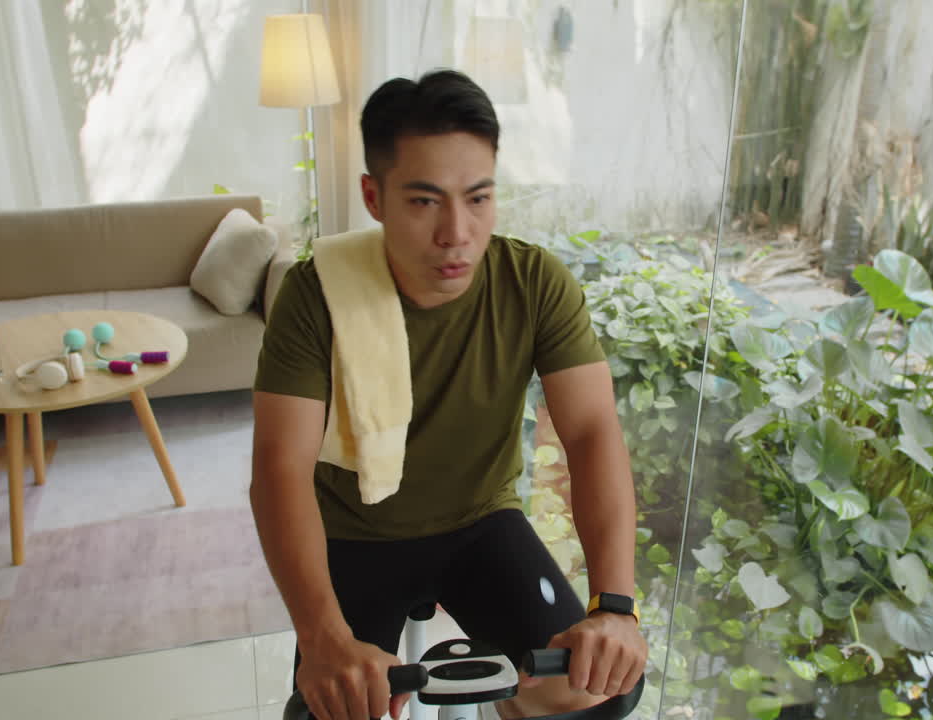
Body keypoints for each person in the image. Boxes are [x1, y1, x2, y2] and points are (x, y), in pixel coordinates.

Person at [250, 68, 647, 720]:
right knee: (329, 709)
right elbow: (279, 468)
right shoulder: (315, 295)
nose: (457, 232)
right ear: (374, 197)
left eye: (479, 198)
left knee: (599, 689)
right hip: (353, 534)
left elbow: (590, 432)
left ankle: (510, 707)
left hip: (481, 524)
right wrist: (321, 640)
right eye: (424, 201)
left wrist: (616, 607)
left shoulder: (533, 283)